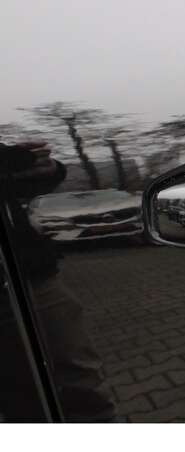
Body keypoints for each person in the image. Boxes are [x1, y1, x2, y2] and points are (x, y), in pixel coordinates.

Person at [0, 140, 115, 422]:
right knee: (17, 386)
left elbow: (22, 186)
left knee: (77, 367)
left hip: (34, 278)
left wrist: (47, 171)